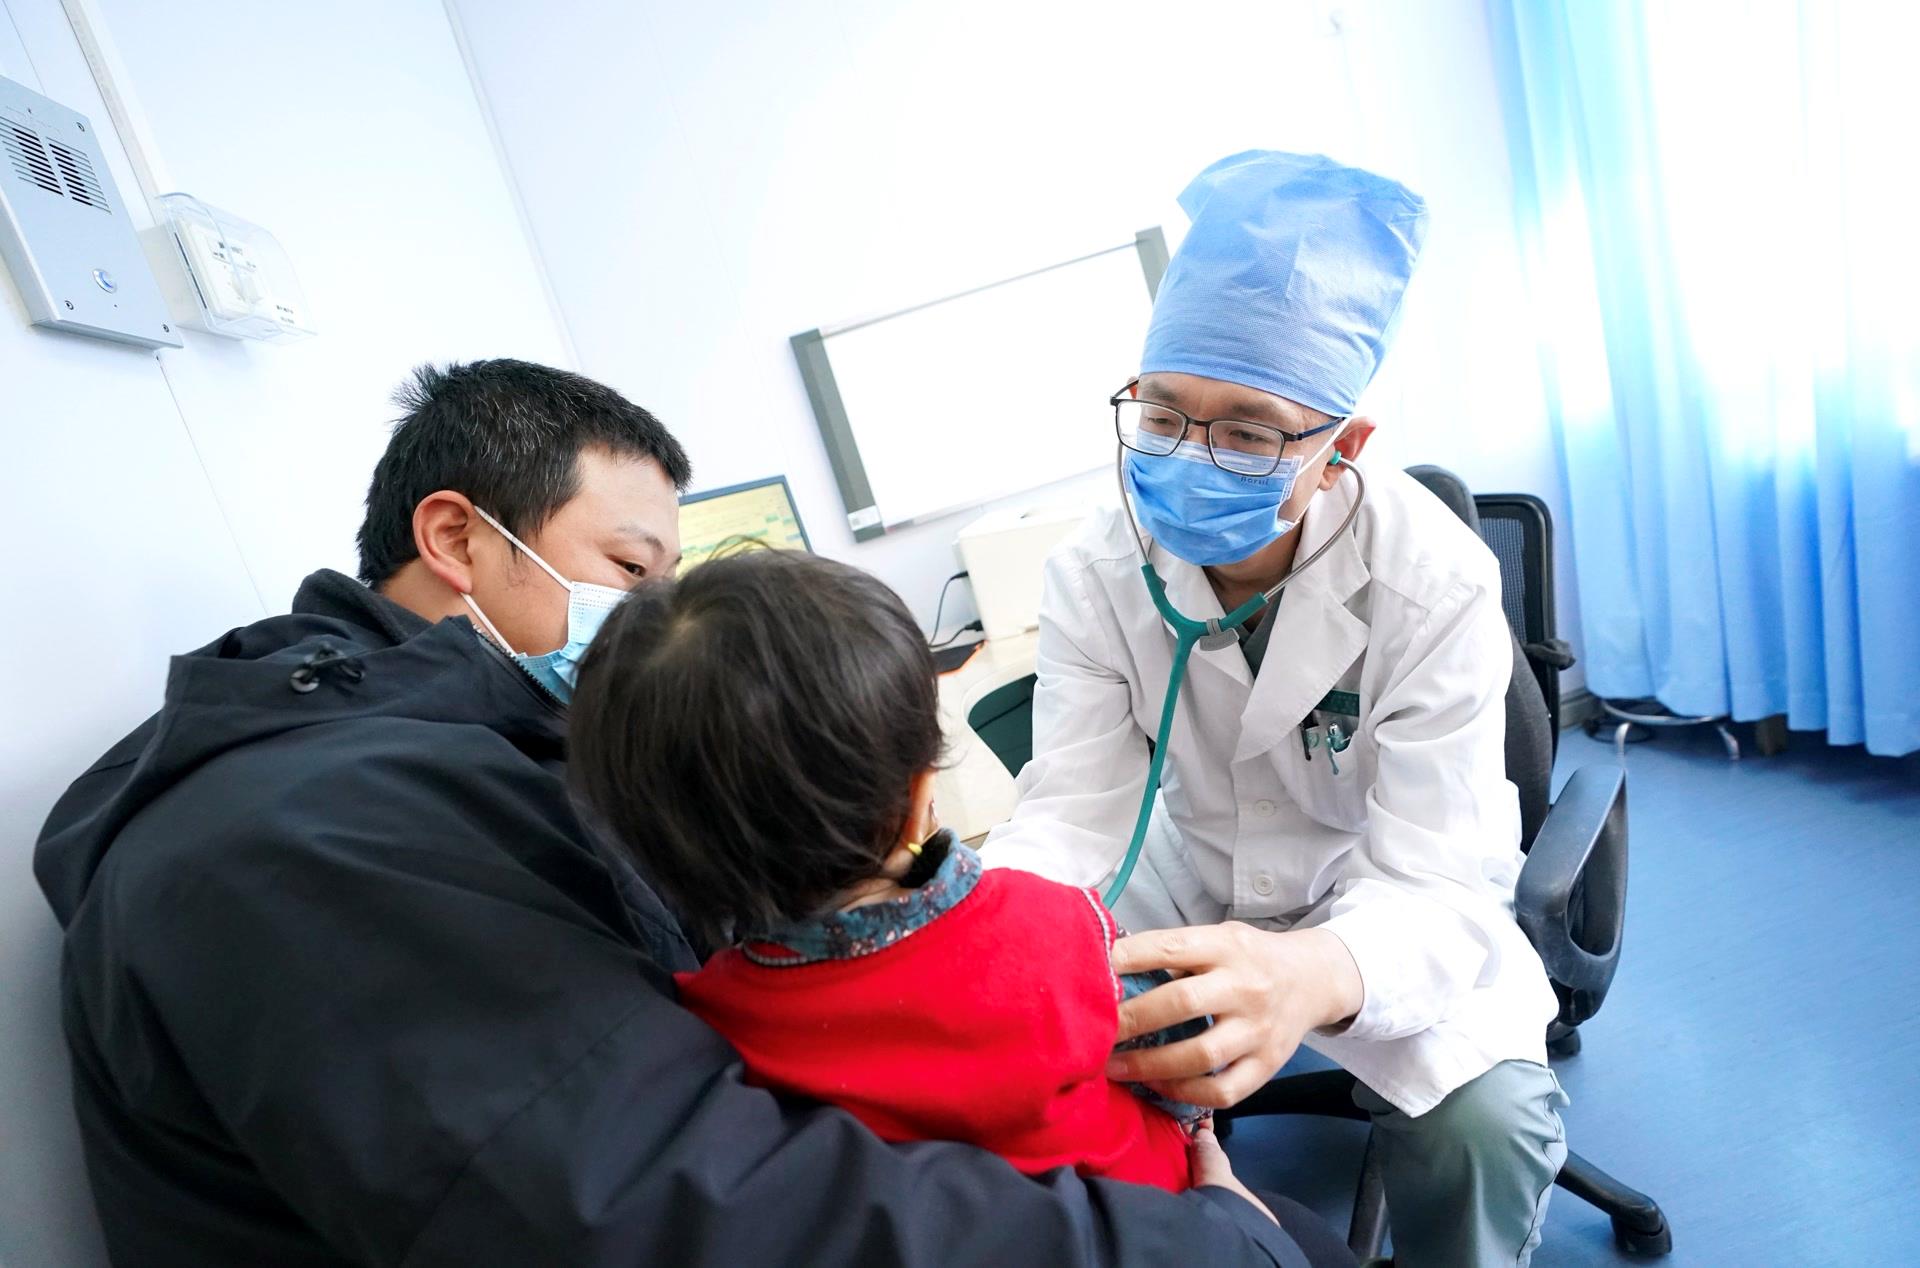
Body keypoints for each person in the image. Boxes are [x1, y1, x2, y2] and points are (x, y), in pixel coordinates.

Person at [33, 359, 1345, 1267]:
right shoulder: (314, 840)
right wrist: (1204, 1245)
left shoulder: (465, 756)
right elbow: (669, 1215)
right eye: (630, 570)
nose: (653, 618)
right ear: (457, 538)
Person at [982, 151, 1570, 1267]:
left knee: (1481, 1131)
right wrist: (986, 927)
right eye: (1164, 413)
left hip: (1378, 894)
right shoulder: (1096, 571)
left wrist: (1311, 973)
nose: (1191, 456)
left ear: (1343, 449)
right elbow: (1071, 815)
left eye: (1250, 432)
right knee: (1051, 1070)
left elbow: (1439, 870)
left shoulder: (1432, 578)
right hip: (1188, 882)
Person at [569, 549, 1203, 1194]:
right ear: (921, 793)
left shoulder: (709, 1025)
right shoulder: (1054, 926)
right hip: (1166, 1216)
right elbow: (1186, 1070)